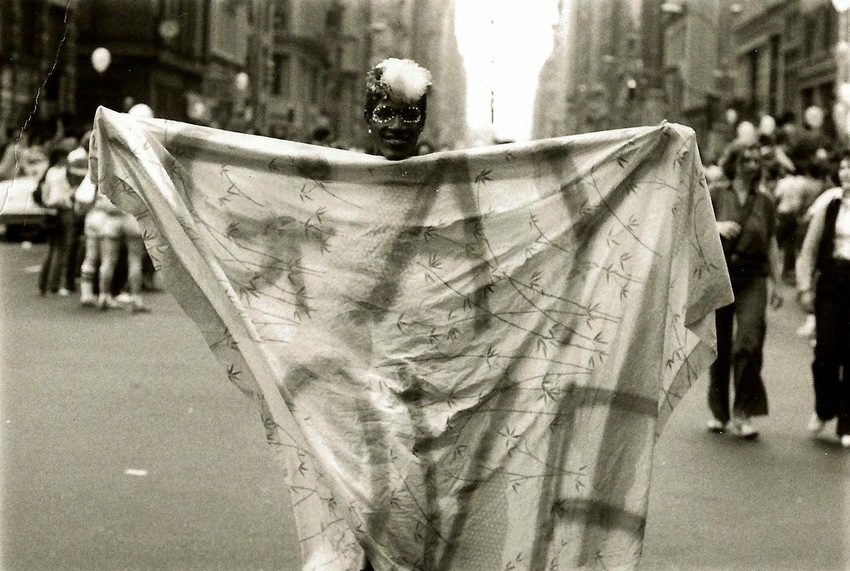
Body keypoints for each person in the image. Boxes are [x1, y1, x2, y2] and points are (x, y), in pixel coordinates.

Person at [707, 141, 784, 439]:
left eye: (756, 160)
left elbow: (772, 243)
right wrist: (717, 227)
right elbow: (694, 225)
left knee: (748, 341)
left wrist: (777, 284)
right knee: (720, 347)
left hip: (753, 274)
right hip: (721, 272)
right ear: (734, 162)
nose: (752, 165)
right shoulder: (715, 193)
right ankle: (719, 412)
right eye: (746, 159)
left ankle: (743, 412)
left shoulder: (765, 201)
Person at [795, 149, 850, 448]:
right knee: (826, 351)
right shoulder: (830, 204)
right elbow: (809, 249)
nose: (845, 173)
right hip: (832, 281)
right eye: (842, 167)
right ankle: (824, 407)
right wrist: (804, 287)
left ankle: (846, 420)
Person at [364, 57, 431, 161]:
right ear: (369, 119)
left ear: (422, 122)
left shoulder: (442, 176)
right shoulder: (340, 175)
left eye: (409, 115)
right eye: (385, 114)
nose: (397, 126)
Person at [37, 138, 80, 295]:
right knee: (62, 249)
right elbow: (71, 190)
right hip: (64, 210)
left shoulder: (50, 172)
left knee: (52, 248)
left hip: (51, 211)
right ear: (62, 157)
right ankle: (55, 284)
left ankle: (44, 282)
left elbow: (45, 193)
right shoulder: (64, 172)